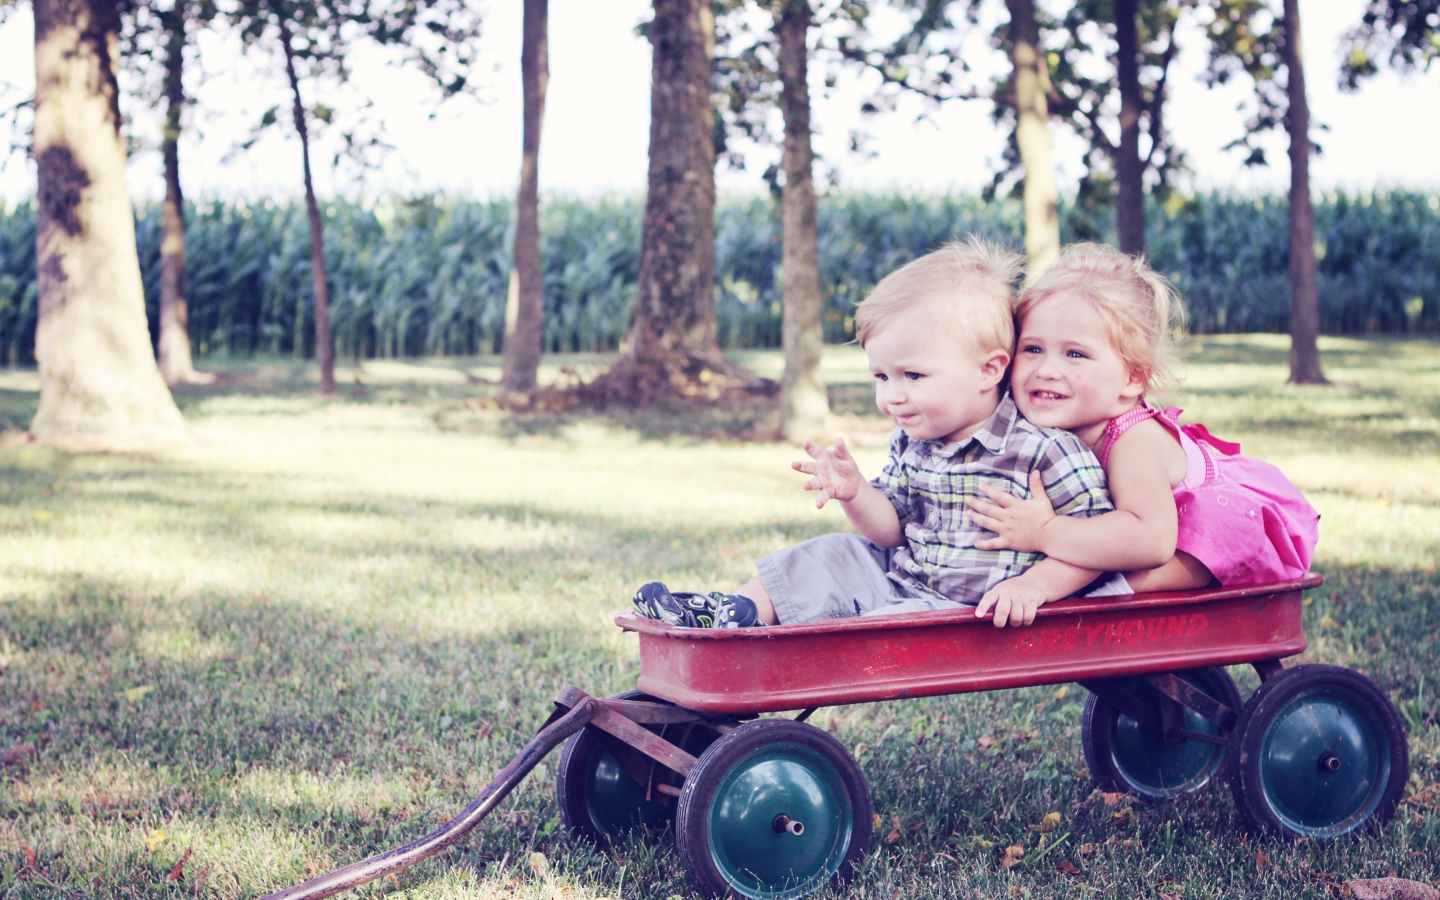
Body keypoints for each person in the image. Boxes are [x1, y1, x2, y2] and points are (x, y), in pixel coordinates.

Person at [630, 237, 1123, 631]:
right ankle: (732, 614)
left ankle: (771, 648)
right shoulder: (914, 438)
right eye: (881, 377)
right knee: (831, 552)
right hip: (902, 578)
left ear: (988, 369)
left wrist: (1036, 585)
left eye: (912, 376)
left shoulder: (1044, 450)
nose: (892, 397)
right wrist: (857, 493)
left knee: (875, 632)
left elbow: (1097, 548)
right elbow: (890, 529)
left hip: (964, 614)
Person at [968, 242, 1319, 591]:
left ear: (1133, 378)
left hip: (1215, 534)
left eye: (1075, 354)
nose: (1046, 369)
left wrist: (1044, 533)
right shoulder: (1049, 422)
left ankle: (1108, 593)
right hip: (1150, 528)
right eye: (1033, 349)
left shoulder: (1133, 443)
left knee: (1127, 568)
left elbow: (1150, 539)